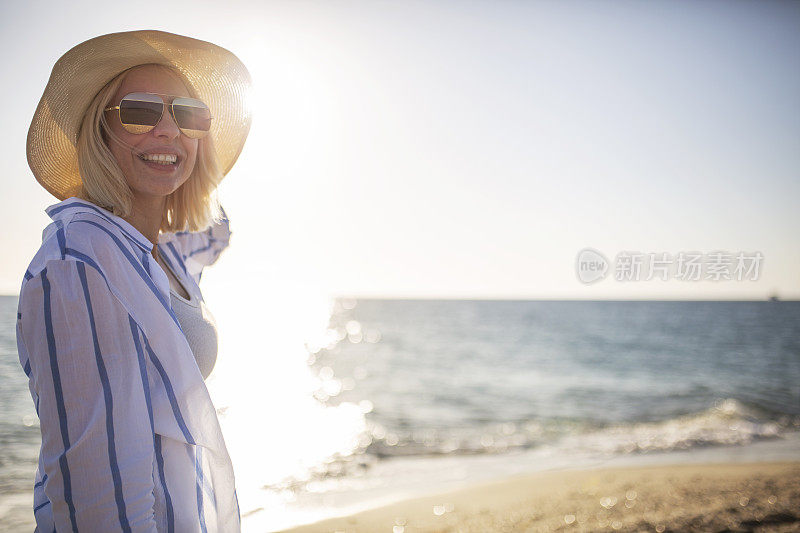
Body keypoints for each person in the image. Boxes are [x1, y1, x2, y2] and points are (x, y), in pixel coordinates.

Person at [16, 30, 252, 532]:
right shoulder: (80, 261)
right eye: (140, 112)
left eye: (188, 114)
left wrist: (195, 179)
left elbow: (213, 233)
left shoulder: (160, 252)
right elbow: (95, 501)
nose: (167, 130)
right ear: (99, 133)